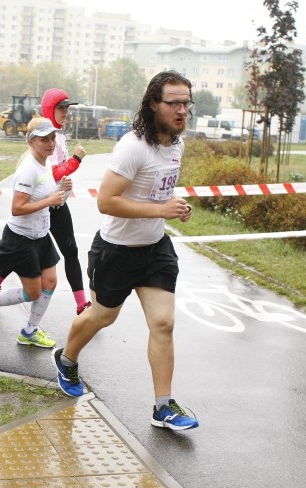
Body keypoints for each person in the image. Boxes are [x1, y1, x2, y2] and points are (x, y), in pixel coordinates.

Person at [52, 71, 199, 431]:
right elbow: (106, 201)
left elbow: (156, 194)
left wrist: (172, 205)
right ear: (153, 104)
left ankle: (163, 407)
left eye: (186, 103)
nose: (182, 110)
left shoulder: (175, 143)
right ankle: (67, 359)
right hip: (116, 250)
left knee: (163, 323)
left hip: (155, 249)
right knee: (102, 318)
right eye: (174, 103)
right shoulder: (133, 147)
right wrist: (161, 210)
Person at [0, 88, 90, 315]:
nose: (66, 113)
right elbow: (52, 171)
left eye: (68, 108)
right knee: (21, 255)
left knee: (70, 250)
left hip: (57, 203)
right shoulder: (42, 140)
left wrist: (63, 187)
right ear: (51, 108)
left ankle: (81, 304)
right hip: (40, 206)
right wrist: (76, 161)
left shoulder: (59, 136)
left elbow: (56, 175)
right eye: (62, 108)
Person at [0, 117, 68, 347]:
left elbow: (44, 196)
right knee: (33, 292)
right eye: (44, 139)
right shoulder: (28, 170)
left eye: (53, 138)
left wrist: (60, 190)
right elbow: (17, 208)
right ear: (31, 141)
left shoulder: (44, 163)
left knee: (51, 282)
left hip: (41, 235)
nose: (50, 143)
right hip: (21, 238)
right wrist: (49, 200)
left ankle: (29, 331)